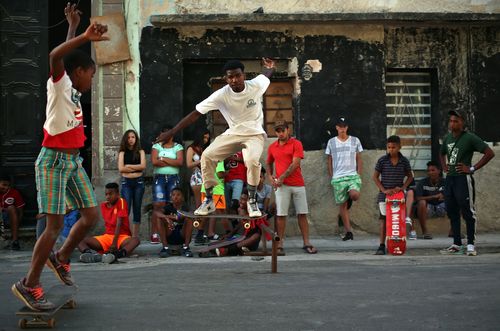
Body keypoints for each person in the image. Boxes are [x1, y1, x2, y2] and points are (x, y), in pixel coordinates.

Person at [11, 4, 108, 311]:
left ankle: (61, 257)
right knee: (53, 225)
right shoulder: (59, 85)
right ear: (79, 72)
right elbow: (56, 58)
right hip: (52, 160)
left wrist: (73, 26)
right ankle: (29, 284)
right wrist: (84, 37)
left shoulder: (72, 85)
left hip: (72, 161)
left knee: (91, 217)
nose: (91, 81)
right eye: (91, 75)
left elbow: (64, 58)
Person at [156, 58, 276, 218]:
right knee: (207, 156)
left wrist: (269, 67)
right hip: (233, 133)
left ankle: (252, 201)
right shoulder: (221, 95)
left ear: (243, 75)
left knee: (252, 160)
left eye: (237, 76)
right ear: (226, 79)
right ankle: (210, 200)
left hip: (254, 134)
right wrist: (172, 132)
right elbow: (195, 114)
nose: (234, 80)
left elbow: (266, 75)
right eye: (230, 77)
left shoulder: (255, 85)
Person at [439, 110, 495, 256]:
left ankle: (470, 244)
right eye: (451, 121)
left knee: (467, 211)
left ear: (463, 122)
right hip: (450, 179)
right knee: (452, 211)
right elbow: (441, 152)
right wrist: (444, 167)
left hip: (462, 179)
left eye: (456, 121)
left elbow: (489, 153)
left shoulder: (470, 138)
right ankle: (456, 243)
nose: (452, 123)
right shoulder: (448, 138)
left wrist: (471, 168)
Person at [266, 120, 317, 254]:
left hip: (298, 183)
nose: (280, 133)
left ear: (288, 130)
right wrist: (270, 177)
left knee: (302, 214)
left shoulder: (296, 143)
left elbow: (295, 163)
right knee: (281, 215)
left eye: (283, 130)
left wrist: (281, 177)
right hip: (281, 186)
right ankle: (280, 243)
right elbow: (269, 163)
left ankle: (306, 242)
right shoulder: (272, 147)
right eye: (278, 131)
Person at [372, 135, 414, 255]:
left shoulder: (404, 161)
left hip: (398, 196)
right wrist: (384, 190)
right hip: (384, 195)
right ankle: (381, 245)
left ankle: (396, 244)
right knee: (384, 220)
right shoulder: (382, 160)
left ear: (399, 147)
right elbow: (375, 177)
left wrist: (402, 188)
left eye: (394, 147)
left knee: (396, 221)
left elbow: (410, 177)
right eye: (389, 147)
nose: (391, 149)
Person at [78, 183, 140, 263]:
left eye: (110, 194)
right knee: (78, 239)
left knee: (135, 240)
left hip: (121, 237)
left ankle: (117, 255)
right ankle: (89, 254)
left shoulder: (121, 202)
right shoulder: (103, 205)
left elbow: (119, 223)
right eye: (106, 194)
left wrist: (114, 243)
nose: (108, 197)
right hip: (107, 237)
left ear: (117, 194)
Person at [325, 116, 363, 241]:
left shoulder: (355, 140)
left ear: (347, 127)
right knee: (342, 206)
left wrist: (358, 174)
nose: (342, 128)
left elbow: (359, 158)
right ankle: (349, 232)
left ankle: (349, 195)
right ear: (336, 127)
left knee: (354, 195)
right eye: (340, 126)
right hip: (338, 178)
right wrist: (332, 176)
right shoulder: (331, 142)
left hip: (352, 176)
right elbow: (329, 160)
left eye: (344, 126)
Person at [150, 126, 184, 244]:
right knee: (158, 204)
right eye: (161, 135)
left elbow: (179, 162)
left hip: (173, 178)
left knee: (173, 203)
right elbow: (154, 161)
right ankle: (155, 233)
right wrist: (171, 162)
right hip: (159, 178)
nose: (162, 137)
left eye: (165, 135)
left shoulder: (178, 147)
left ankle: (172, 229)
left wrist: (163, 158)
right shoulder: (156, 146)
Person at [118, 129, 146, 238]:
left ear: (136, 139)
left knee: (137, 208)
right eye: (129, 137)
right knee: (126, 209)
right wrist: (135, 168)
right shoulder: (122, 152)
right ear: (126, 139)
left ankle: (135, 237)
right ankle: (125, 236)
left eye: (133, 137)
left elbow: (143, 166)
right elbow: (121, 168)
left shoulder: (141, 152)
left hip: (139, 182)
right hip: (126, 183)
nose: (131, 139)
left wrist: (128, 166)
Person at [154, 187, 193, 258]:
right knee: (159, 219)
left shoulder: (185, 207)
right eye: (173, 195)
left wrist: (183, 216)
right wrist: (167, 218)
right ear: (171, 198)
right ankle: (165, 248)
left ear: (183, 198)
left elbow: (192, 214)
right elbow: (157, 213)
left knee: (189, 219)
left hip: (182, 235)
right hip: (170, 233)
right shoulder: (168, 207)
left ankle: (186, 247)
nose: (176, 197)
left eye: (178, 195)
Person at [414, 161, 446, 239]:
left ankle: (453, 231)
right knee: (421, 202)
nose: (430, 172)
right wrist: (434, 196)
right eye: (428, 171)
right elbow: (417, 198)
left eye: (433, 170)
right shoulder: (423, 182)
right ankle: (425, 232)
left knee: (458, 201)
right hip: (428, 208)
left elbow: (452, 195)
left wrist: (445, 196)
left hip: (442, 207)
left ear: (439, 171)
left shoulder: (445, 182)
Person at [186, 130, 210, 209]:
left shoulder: (206, 148)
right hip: (197, 176)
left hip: (207, 175)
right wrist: (200, 161)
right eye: (204, 137)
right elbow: (189, 164)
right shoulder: (191, 148)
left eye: (207, 138)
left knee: (208, 203)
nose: (206, 140)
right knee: (199, 203)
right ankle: (198, 221)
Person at [0, 175, 25, 250]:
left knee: (11, 207)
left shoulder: (14, 193)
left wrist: (17, 222)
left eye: (8, 185)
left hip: (9, 219)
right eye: (3, 185)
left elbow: (20, 211)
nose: (6, 187)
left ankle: (15, 241)